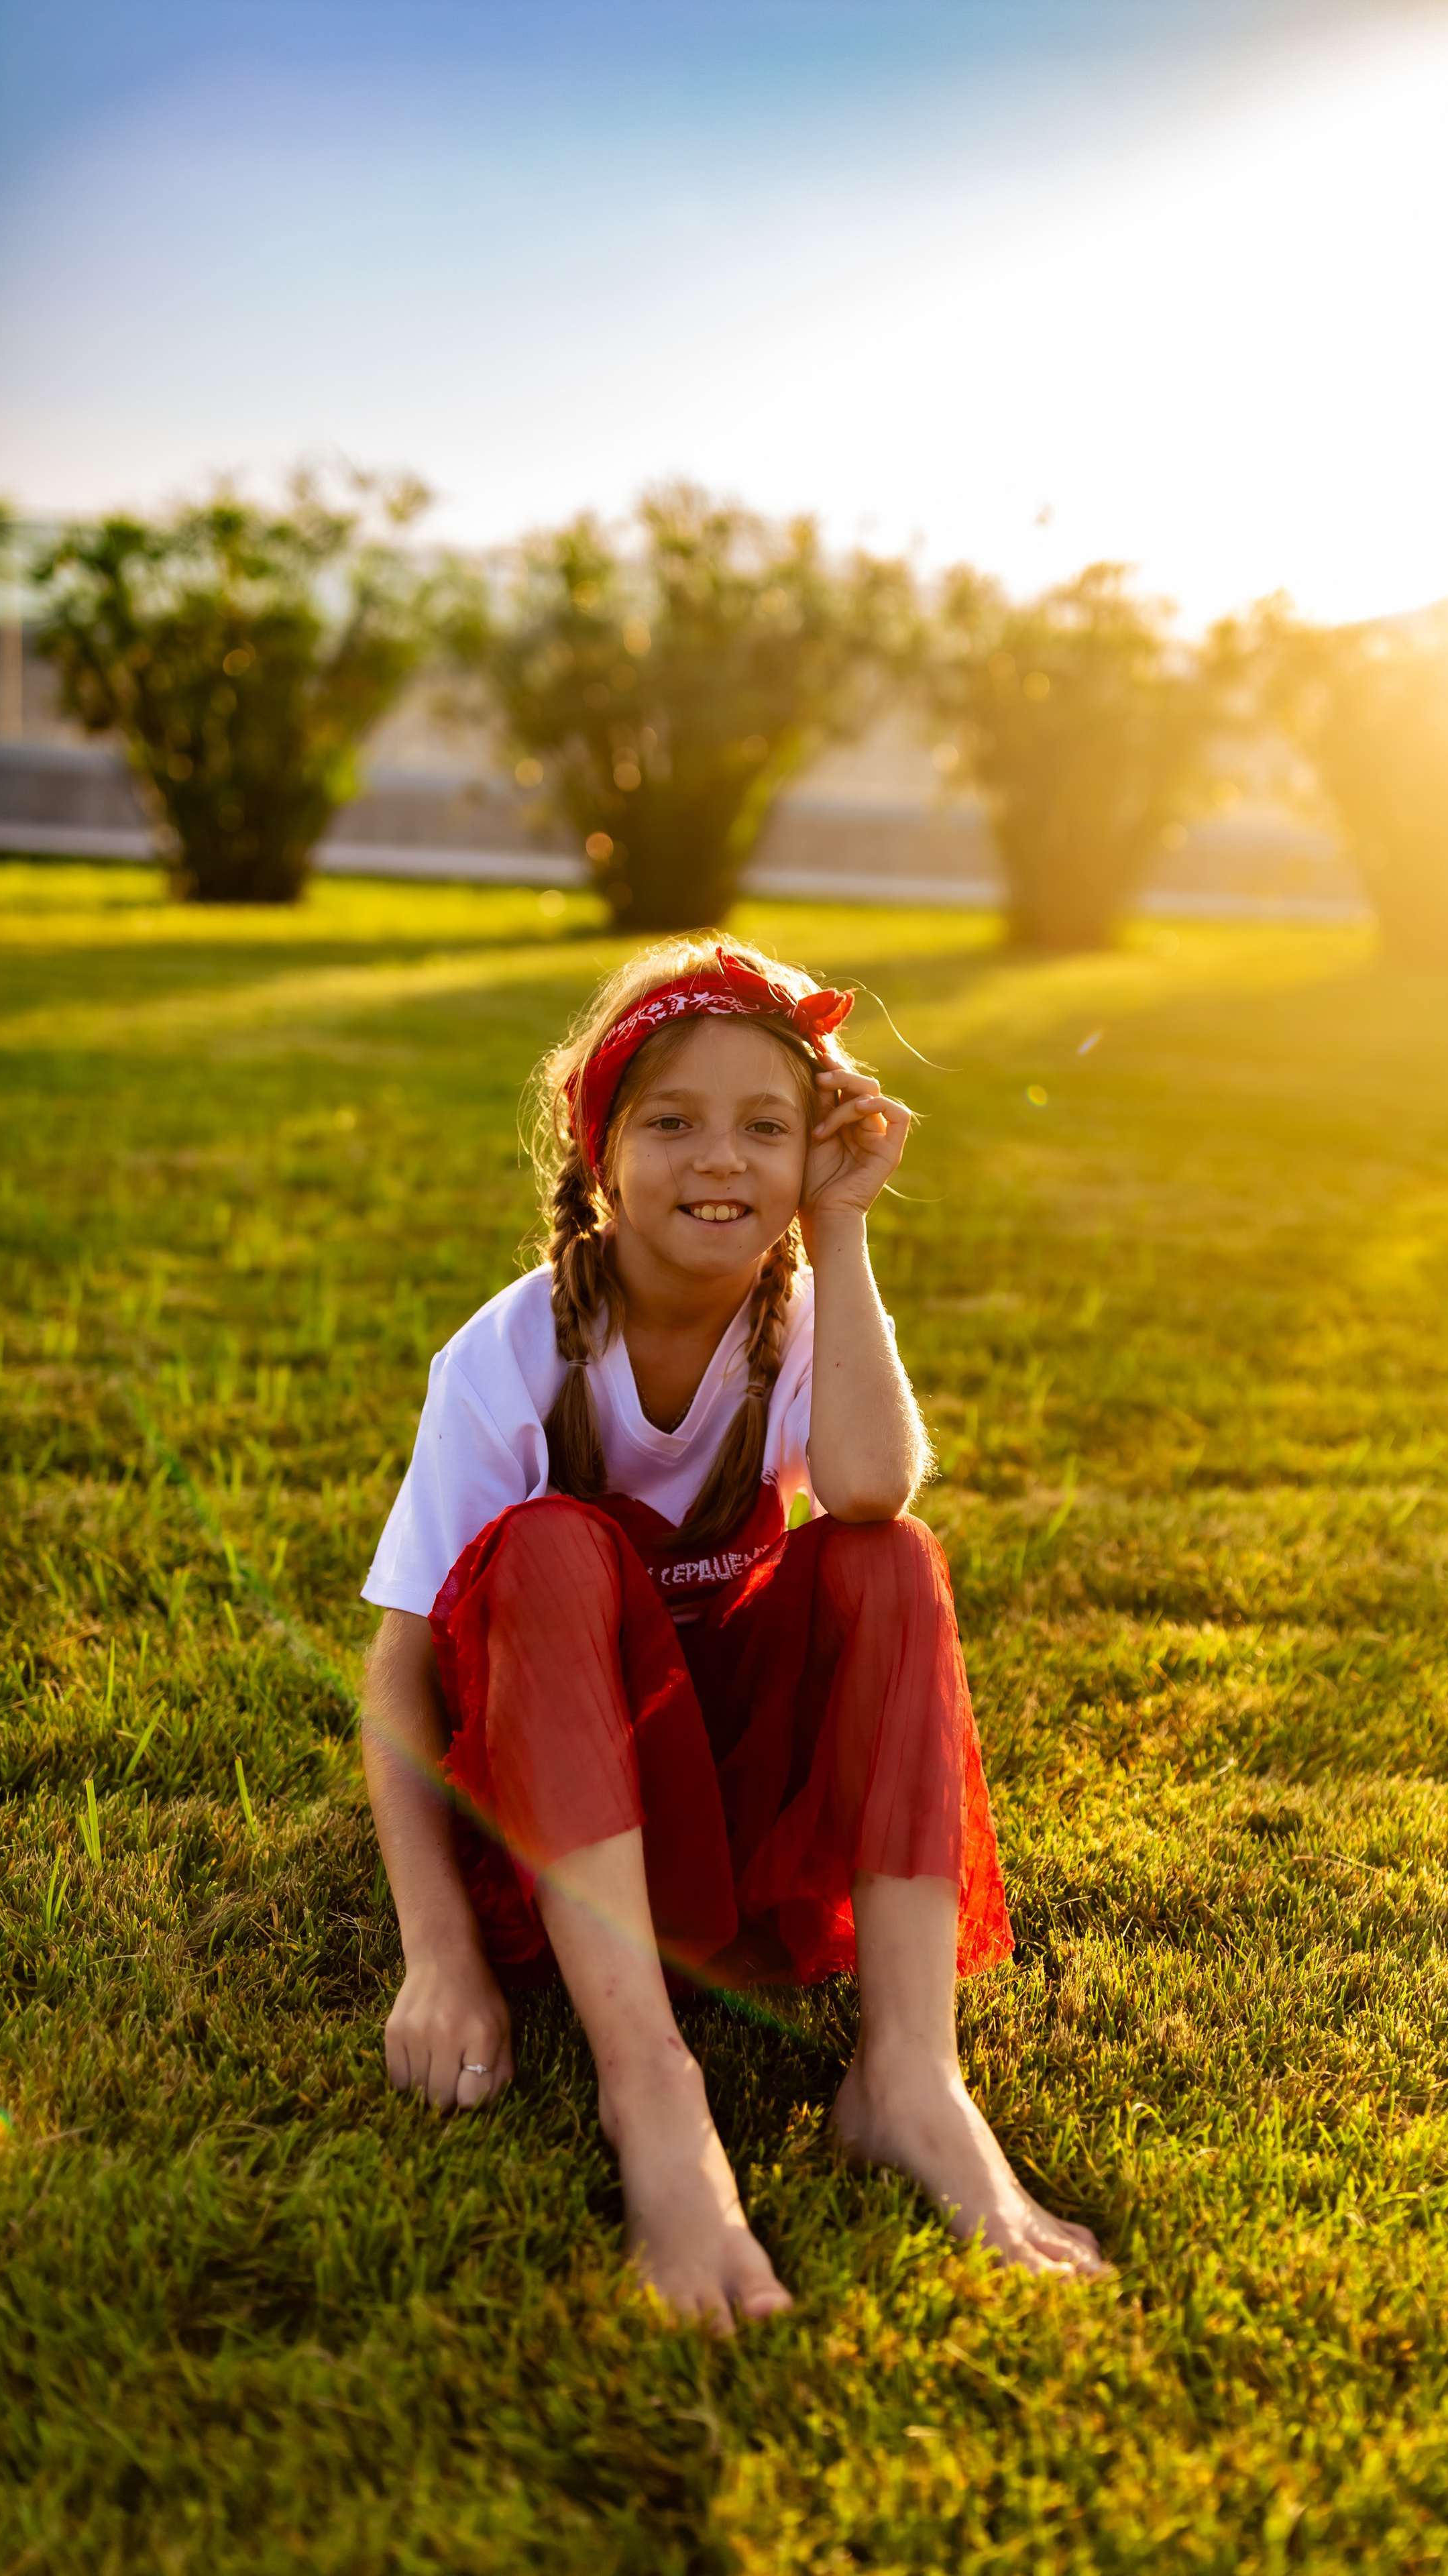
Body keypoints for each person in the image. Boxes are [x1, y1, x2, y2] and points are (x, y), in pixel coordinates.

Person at [361, 934, 1108, 2327]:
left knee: (888, 1561)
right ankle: (654, 2096)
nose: (720, 1160)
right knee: (542, 1548)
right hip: (574, 1853)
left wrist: (842, 1226)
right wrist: (439, 1951)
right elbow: (402, 1670)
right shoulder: (512, 1354)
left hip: (739, 1832)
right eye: (672, 1122)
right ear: (599, 1154)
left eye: (766, 1126)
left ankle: (907, 2076)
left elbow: (874, 1488)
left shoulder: (802, 1315)